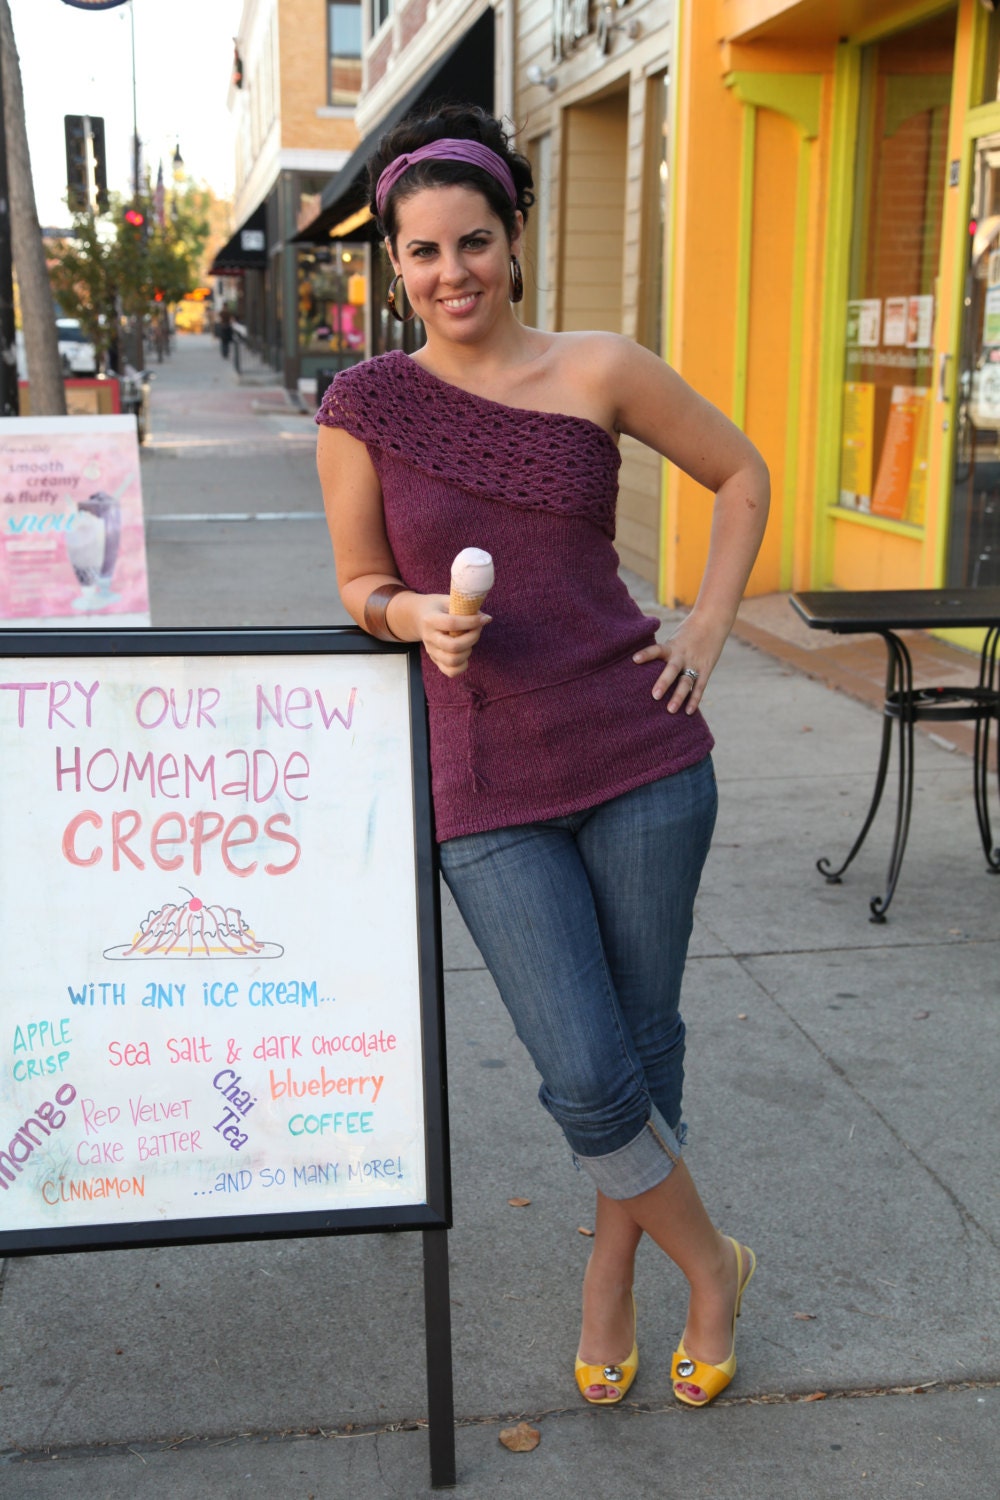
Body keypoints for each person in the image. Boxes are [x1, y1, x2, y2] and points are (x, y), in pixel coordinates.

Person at [316, 103, 770, 1410]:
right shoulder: (366, 403)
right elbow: (357, 579)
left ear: (514, 239)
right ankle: (715, 1262)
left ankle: (612, 1283)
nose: (449, 272)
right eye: (421, 252)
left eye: (473, 242)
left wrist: (710, 620)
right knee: (582, 1066)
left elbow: (741, 476)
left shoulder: (601, 367)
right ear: (393, 265)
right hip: (485, 785)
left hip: (642, 754)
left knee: (644, 1039)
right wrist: (411, 617)